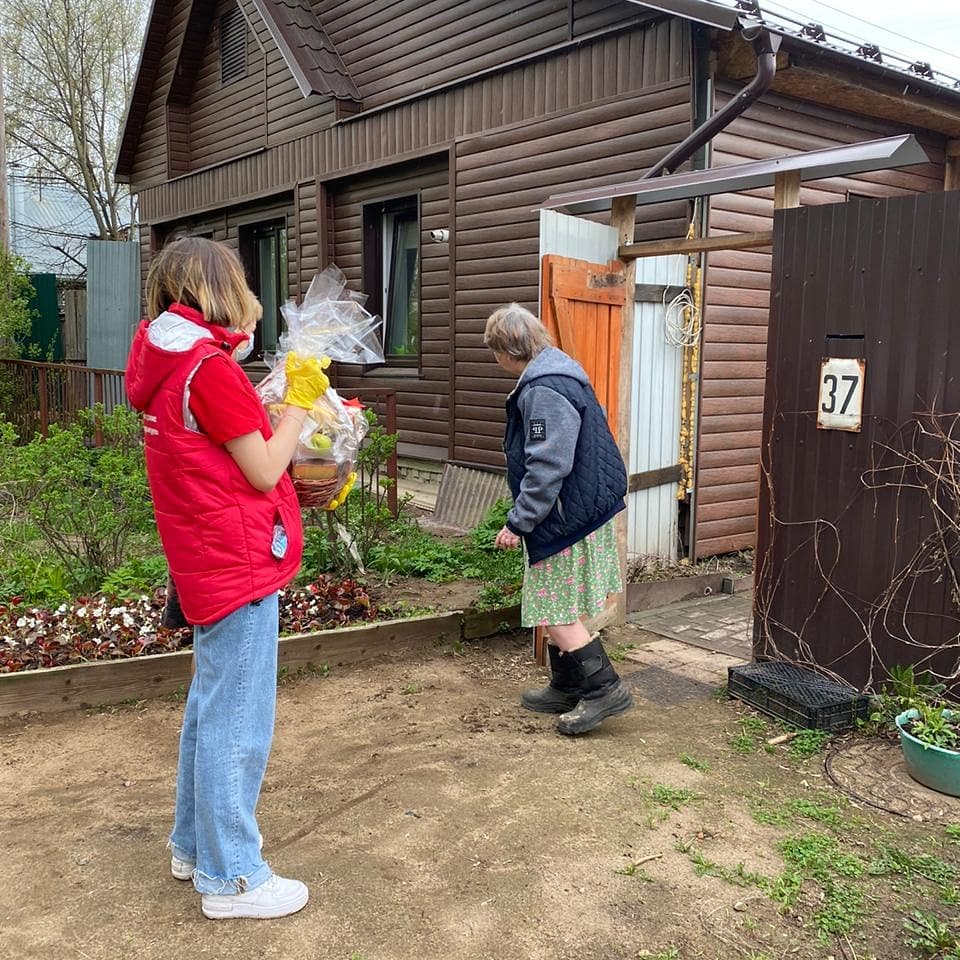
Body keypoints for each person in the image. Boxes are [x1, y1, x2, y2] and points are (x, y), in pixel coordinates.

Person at [125, 237, 328, 919]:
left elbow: (222, 450)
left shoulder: (167, 358)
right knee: (236, 721)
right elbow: (269, 467)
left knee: (211, 708)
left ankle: (193, 845)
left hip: (202, 553)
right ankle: (232, 876)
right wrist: (301, 400)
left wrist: (269, 395)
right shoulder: (207, 370)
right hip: (236, 559)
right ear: (217, 288)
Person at [485, 303, 634, 736]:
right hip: (580, 508)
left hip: (565, 516)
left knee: (554, 609)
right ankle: (567, 684)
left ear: (506, 350)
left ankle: (605, 689)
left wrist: (519, 521)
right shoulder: (559, 373)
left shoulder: (544, 389)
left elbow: (548, 465)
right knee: (558, 603)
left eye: (494, 351)